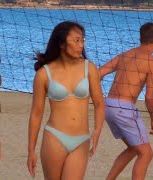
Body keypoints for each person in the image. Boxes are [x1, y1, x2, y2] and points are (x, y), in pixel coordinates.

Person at [27, 21, 105, 179]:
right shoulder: (43, 74)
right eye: (76, 40)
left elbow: (99, 104)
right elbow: (36, 114)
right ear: (62, 43)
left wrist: (97, 131)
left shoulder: (89, 68)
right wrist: (31, 151)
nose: (81, 45)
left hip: (81, 139)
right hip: (54, 138)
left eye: (83, 40)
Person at [99, 22, 153, 180]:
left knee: (134, 149)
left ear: (140, 38)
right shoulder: (152, 63)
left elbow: (98, 73)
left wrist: (97, 98)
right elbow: (149, 97)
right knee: (146, 153)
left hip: (109, 106)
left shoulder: (125, 54)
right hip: (124, 108)